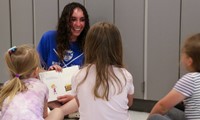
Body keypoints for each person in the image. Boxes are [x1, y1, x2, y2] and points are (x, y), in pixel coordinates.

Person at [64, 22, 134, 120]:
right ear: (117, 47)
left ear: (89, 47)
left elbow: (80, 104)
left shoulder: (78, 75)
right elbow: (129, 102)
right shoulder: (126, 76)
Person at [37, 2, 90, 108]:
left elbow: (90, 81)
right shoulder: (48, 38)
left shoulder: (89, 44)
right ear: (65, 21)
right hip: (49, 96)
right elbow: (34, 70)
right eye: (73, 19)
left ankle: (62, 111)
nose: (78, 24)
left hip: (74, 99)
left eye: (82, 20)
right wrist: (48, 73)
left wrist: (75, 97)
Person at [0, 45, 64, 120]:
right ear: (36, 71)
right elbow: (45, 115)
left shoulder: (7, 86)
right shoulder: (41, 86)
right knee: (58, 111)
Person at [148, 33, 200, 120]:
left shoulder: (191, 79)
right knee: (171, 110)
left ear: (189, 61)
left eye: (183, 54)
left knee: (155, 117)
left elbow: (162, 106)